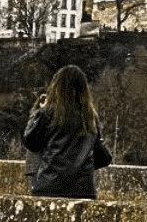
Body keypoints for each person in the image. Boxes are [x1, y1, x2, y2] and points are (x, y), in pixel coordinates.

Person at [20, 64, 110, 199]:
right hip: (83, 190)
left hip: (49, 187)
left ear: (57, 87)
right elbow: (102, 158)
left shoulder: (49, 112)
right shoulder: (90, 116)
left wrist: (38, 112)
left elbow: (31, 143)